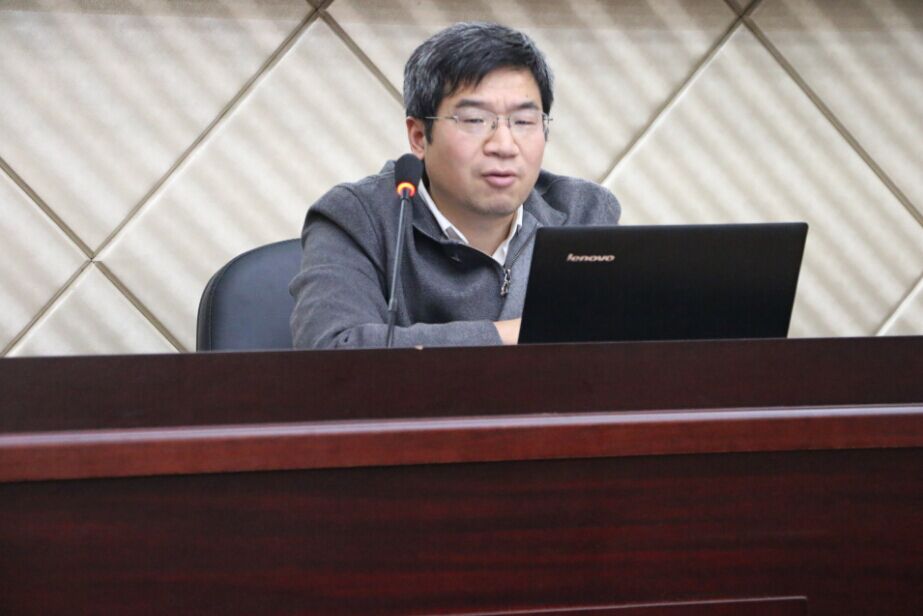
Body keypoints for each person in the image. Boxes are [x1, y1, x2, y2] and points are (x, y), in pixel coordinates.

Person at [290, 22, 620, 349]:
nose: (504, 145)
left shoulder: (581, 212)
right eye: (475, 120)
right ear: (419, 137)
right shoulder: (356, 218)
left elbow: (620, 346)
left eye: (523, 121)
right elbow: (333, 350)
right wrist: (517, 334)